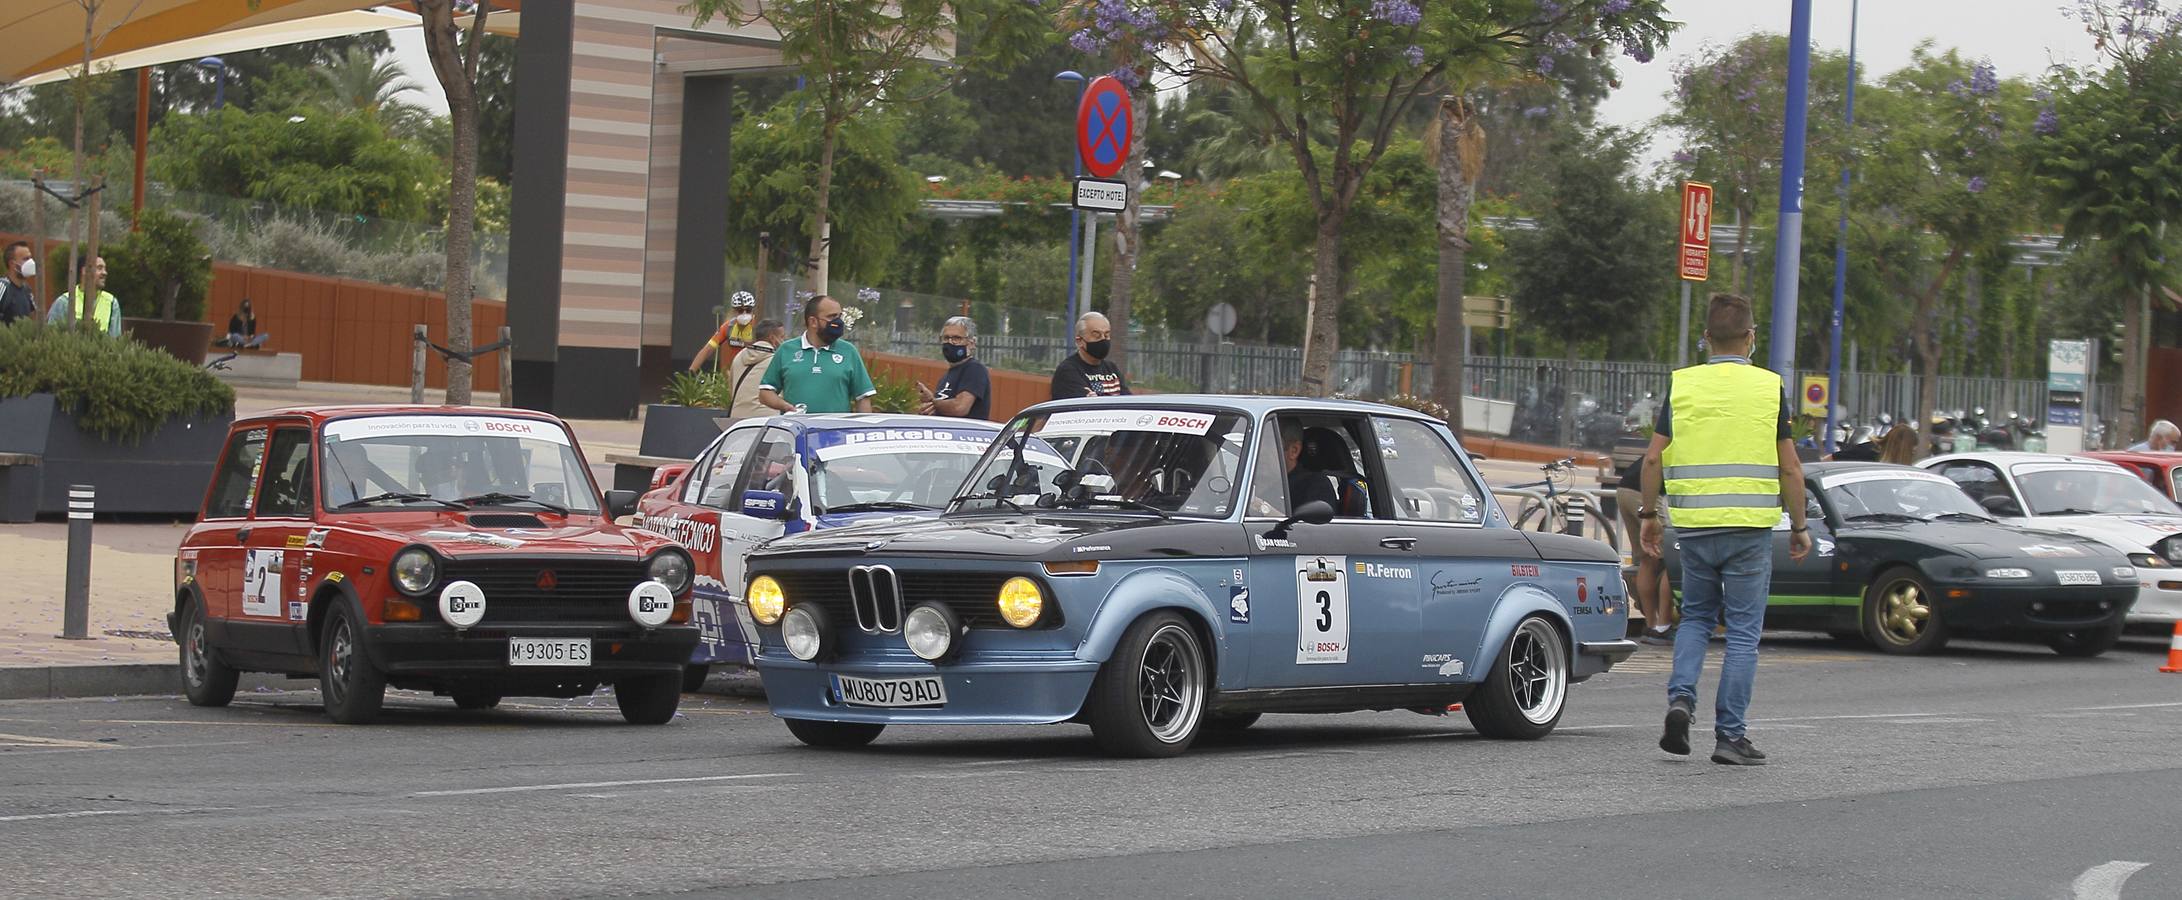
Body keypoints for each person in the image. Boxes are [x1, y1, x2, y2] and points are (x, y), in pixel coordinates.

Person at [1640, 293, 1810, 767]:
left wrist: (1649, 516)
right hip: (1749, 530)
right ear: (1751, 338)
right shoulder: (1768, 387)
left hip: (1694, 527)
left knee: (1694, 617)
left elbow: (1653, 457)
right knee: (1741, 633)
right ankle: (1730, 736)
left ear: (1706, 340)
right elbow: (1791, 468)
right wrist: (1799, 525)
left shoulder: (1683, 385)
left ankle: (1681, 701)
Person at [758, 295, 875, 414]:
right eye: (831, 317)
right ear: (813, 321)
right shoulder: (786, 350)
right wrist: (787, 407)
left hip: (834, 431)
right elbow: (765, 392)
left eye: (839, 316)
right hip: (798, 430)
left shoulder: (849, 351)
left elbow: (863, 398)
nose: (838, 322)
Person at [1616, 453, 1677, 645]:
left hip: (1624, 489)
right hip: (1647, 493)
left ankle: (1651, 625)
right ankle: (1663, 625)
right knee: (1675, 559)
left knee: (1648, 557)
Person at [918, 316, 992, 420]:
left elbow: (960, 408)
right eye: (946, 338)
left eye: (956, 338)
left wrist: (933, 401)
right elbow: (941, 408)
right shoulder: (946, 376)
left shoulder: (974, 369)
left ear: (971, 343)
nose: (950, 342)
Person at [1050, 311, 1130, 400]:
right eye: (1096, 335)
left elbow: (1127, 401)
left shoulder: (1111, 368)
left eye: (1106, 335)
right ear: (1079, 341)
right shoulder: (1068, 371)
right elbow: (1083, 407)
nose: (1103, 339)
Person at [45, 254, 121, 337]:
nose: (105, 273)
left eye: (105, 269)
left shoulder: (112, 302)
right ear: (85, 271)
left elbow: (115, 339)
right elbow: (51, 336)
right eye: (99, 268)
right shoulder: (65, 301)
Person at [689, 291, 759, 372]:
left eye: (748, 310)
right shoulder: (728, 327)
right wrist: (692, 371)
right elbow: (707, 350)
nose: (744, 314)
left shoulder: (758, 326)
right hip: (733, 372)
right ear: (733, 311)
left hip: (753, 371)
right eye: (740, 311)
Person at [728, 320, 784, 419]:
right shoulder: (777, 360)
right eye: (782, 337)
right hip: (765, 419)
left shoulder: (739, 356)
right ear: (773, 338)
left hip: (736, 420)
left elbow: (731, 390)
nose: (784, 342)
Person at [0, 241, 37, 326]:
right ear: (12, 264)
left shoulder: (27, 289)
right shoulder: (3, 287)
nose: (31, 262)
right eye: (25, 259)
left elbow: (33, 317)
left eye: (30, 258)